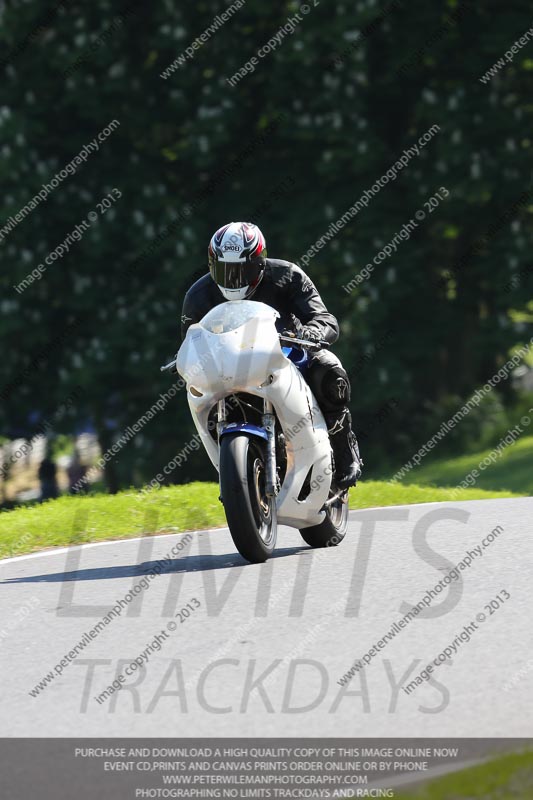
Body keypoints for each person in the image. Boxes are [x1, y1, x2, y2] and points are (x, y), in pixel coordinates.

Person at [180, 221, 362, 490]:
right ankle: (233, 467)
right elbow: (190, 342)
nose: (233, 279)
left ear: (260, 262)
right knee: (196, 392)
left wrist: (312, 332)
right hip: (227, 366)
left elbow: (325, 319)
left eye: (243, 270)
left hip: (285, 354)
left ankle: (344, 448)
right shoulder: (198, 295)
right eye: (224, 270)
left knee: (328, 368)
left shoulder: (287, 275)